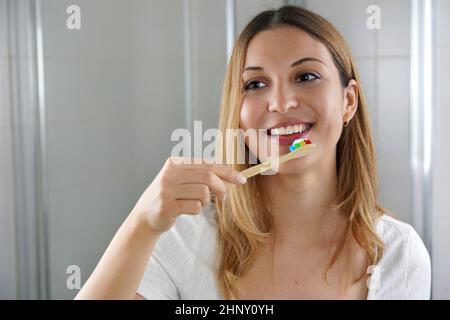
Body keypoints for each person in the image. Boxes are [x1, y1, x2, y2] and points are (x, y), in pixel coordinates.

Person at [76, 5, 431, 300]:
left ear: (348, 101)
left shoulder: (397, 254)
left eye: (306, 76)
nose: (280, 102)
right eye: (256, 84)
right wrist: (140, 225)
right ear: (240, 116)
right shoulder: (187, 240)